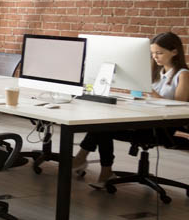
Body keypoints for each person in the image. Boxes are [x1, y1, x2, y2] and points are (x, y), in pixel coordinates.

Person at [72, 31, 189, 188]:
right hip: (144, 119)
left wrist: (150, 91)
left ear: (174, 51)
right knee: (101, 126)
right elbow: (145, 95)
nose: (155, 57)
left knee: (102, 128)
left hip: (161, 128)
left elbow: (180, 106)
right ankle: (97, 167)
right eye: (153, 53)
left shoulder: (183, 75)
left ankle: (86, 162)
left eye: (159, 53)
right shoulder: (156, 73)